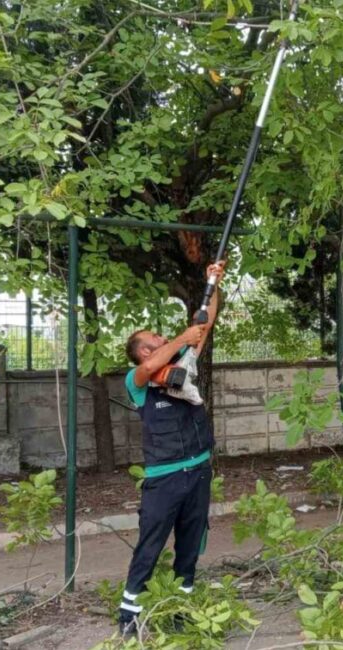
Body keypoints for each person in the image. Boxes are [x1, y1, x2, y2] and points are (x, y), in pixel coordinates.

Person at [117, 261, 226, 635]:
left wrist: (216, 283)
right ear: (142, 353)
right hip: (164, 480)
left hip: (198, 471)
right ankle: (130, 613)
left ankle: (180, 606)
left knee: (191, 543)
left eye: (161, 338)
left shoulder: (184, 364)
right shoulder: (137, 381)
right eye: (154, 342)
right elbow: (151, 368)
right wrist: (180, 339)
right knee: (151, 543)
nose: (162, 341)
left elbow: (205, 324)